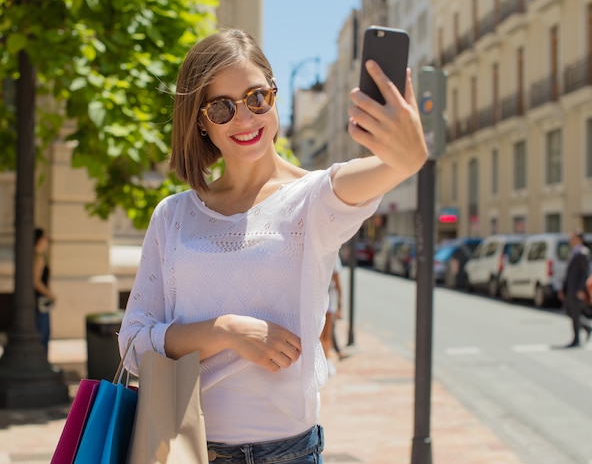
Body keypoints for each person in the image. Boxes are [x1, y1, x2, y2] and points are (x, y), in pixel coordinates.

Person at [118, 28, 427, 463]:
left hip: (288, 453)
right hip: (182, 450)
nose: (244, 118)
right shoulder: (173, 216)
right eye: (222, 107)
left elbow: (387, 170)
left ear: (275, 96)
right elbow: (132, 345)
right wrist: (223, 331)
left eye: (256, 98)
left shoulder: (313, 199)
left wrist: (408, 157)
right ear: (201, 121)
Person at [558, 229, 592, 348]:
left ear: (579, 239)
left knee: (576, 313)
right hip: (570, 289)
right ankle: (587, 327)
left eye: (572, 238)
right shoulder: (574, 252)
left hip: (577, 290)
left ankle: (576, 339)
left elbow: (585, 273)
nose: (569, 241)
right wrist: (564, 288)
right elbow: (568, 274)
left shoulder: (583, 253)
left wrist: (581, 289)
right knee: (570, 312)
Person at [34, 227, 56, 357]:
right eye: (44, 238)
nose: (46, 241)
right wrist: (51, 295)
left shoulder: (35, 257)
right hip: (40, 303)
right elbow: (36, 282)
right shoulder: (38, 258)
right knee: (43, 334)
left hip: (37, 302)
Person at [320, 255, 344, 376]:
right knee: (319, 334)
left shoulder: (334, 256)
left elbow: (338, 283)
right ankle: (323, 360)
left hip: (329, 301)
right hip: (317, 300)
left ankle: (326, 359)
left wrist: (340, 306)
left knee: (327, 334)